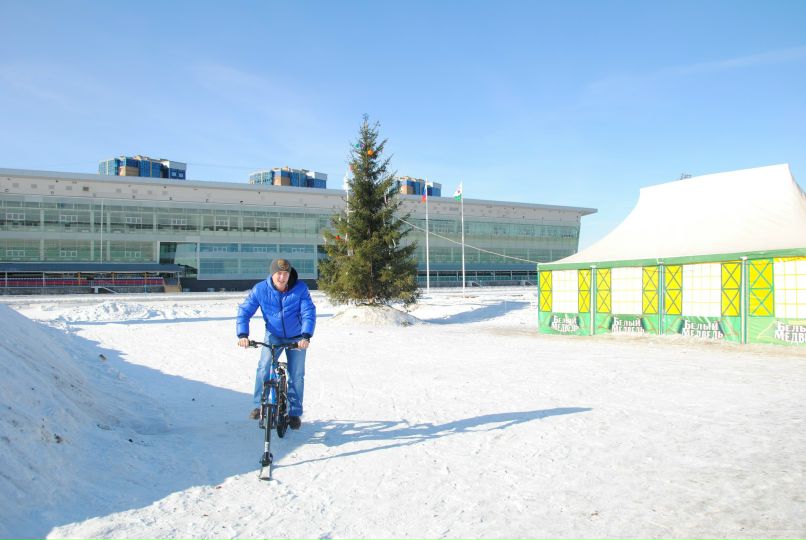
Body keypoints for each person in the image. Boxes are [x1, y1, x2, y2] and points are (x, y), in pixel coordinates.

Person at [236, 258, 316, 430]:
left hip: (297, 337)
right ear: (272, 274)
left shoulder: (300, 288)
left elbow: (308, 312)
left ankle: (294, 413)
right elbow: (244, 311)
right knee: (264, 367)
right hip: (274, 335)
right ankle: (259, 405)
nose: (282, 277)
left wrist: (306, 336)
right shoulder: (260, 289)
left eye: (285, 274)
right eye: (278, 273)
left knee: (297, 375)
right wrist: (243, 334)